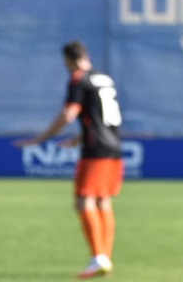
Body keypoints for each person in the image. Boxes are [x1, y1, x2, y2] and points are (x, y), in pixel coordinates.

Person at [14, 41, 124, 279]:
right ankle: (103, 256)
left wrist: (40, 138)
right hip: (114, 145)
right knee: (103, 202)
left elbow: (69, 113)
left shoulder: (78, 79)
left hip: (95, 150)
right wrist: (79, 136)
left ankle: (99, 258)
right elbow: (100, 117)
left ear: (70, 60)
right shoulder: (104, 78)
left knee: (84, 201)